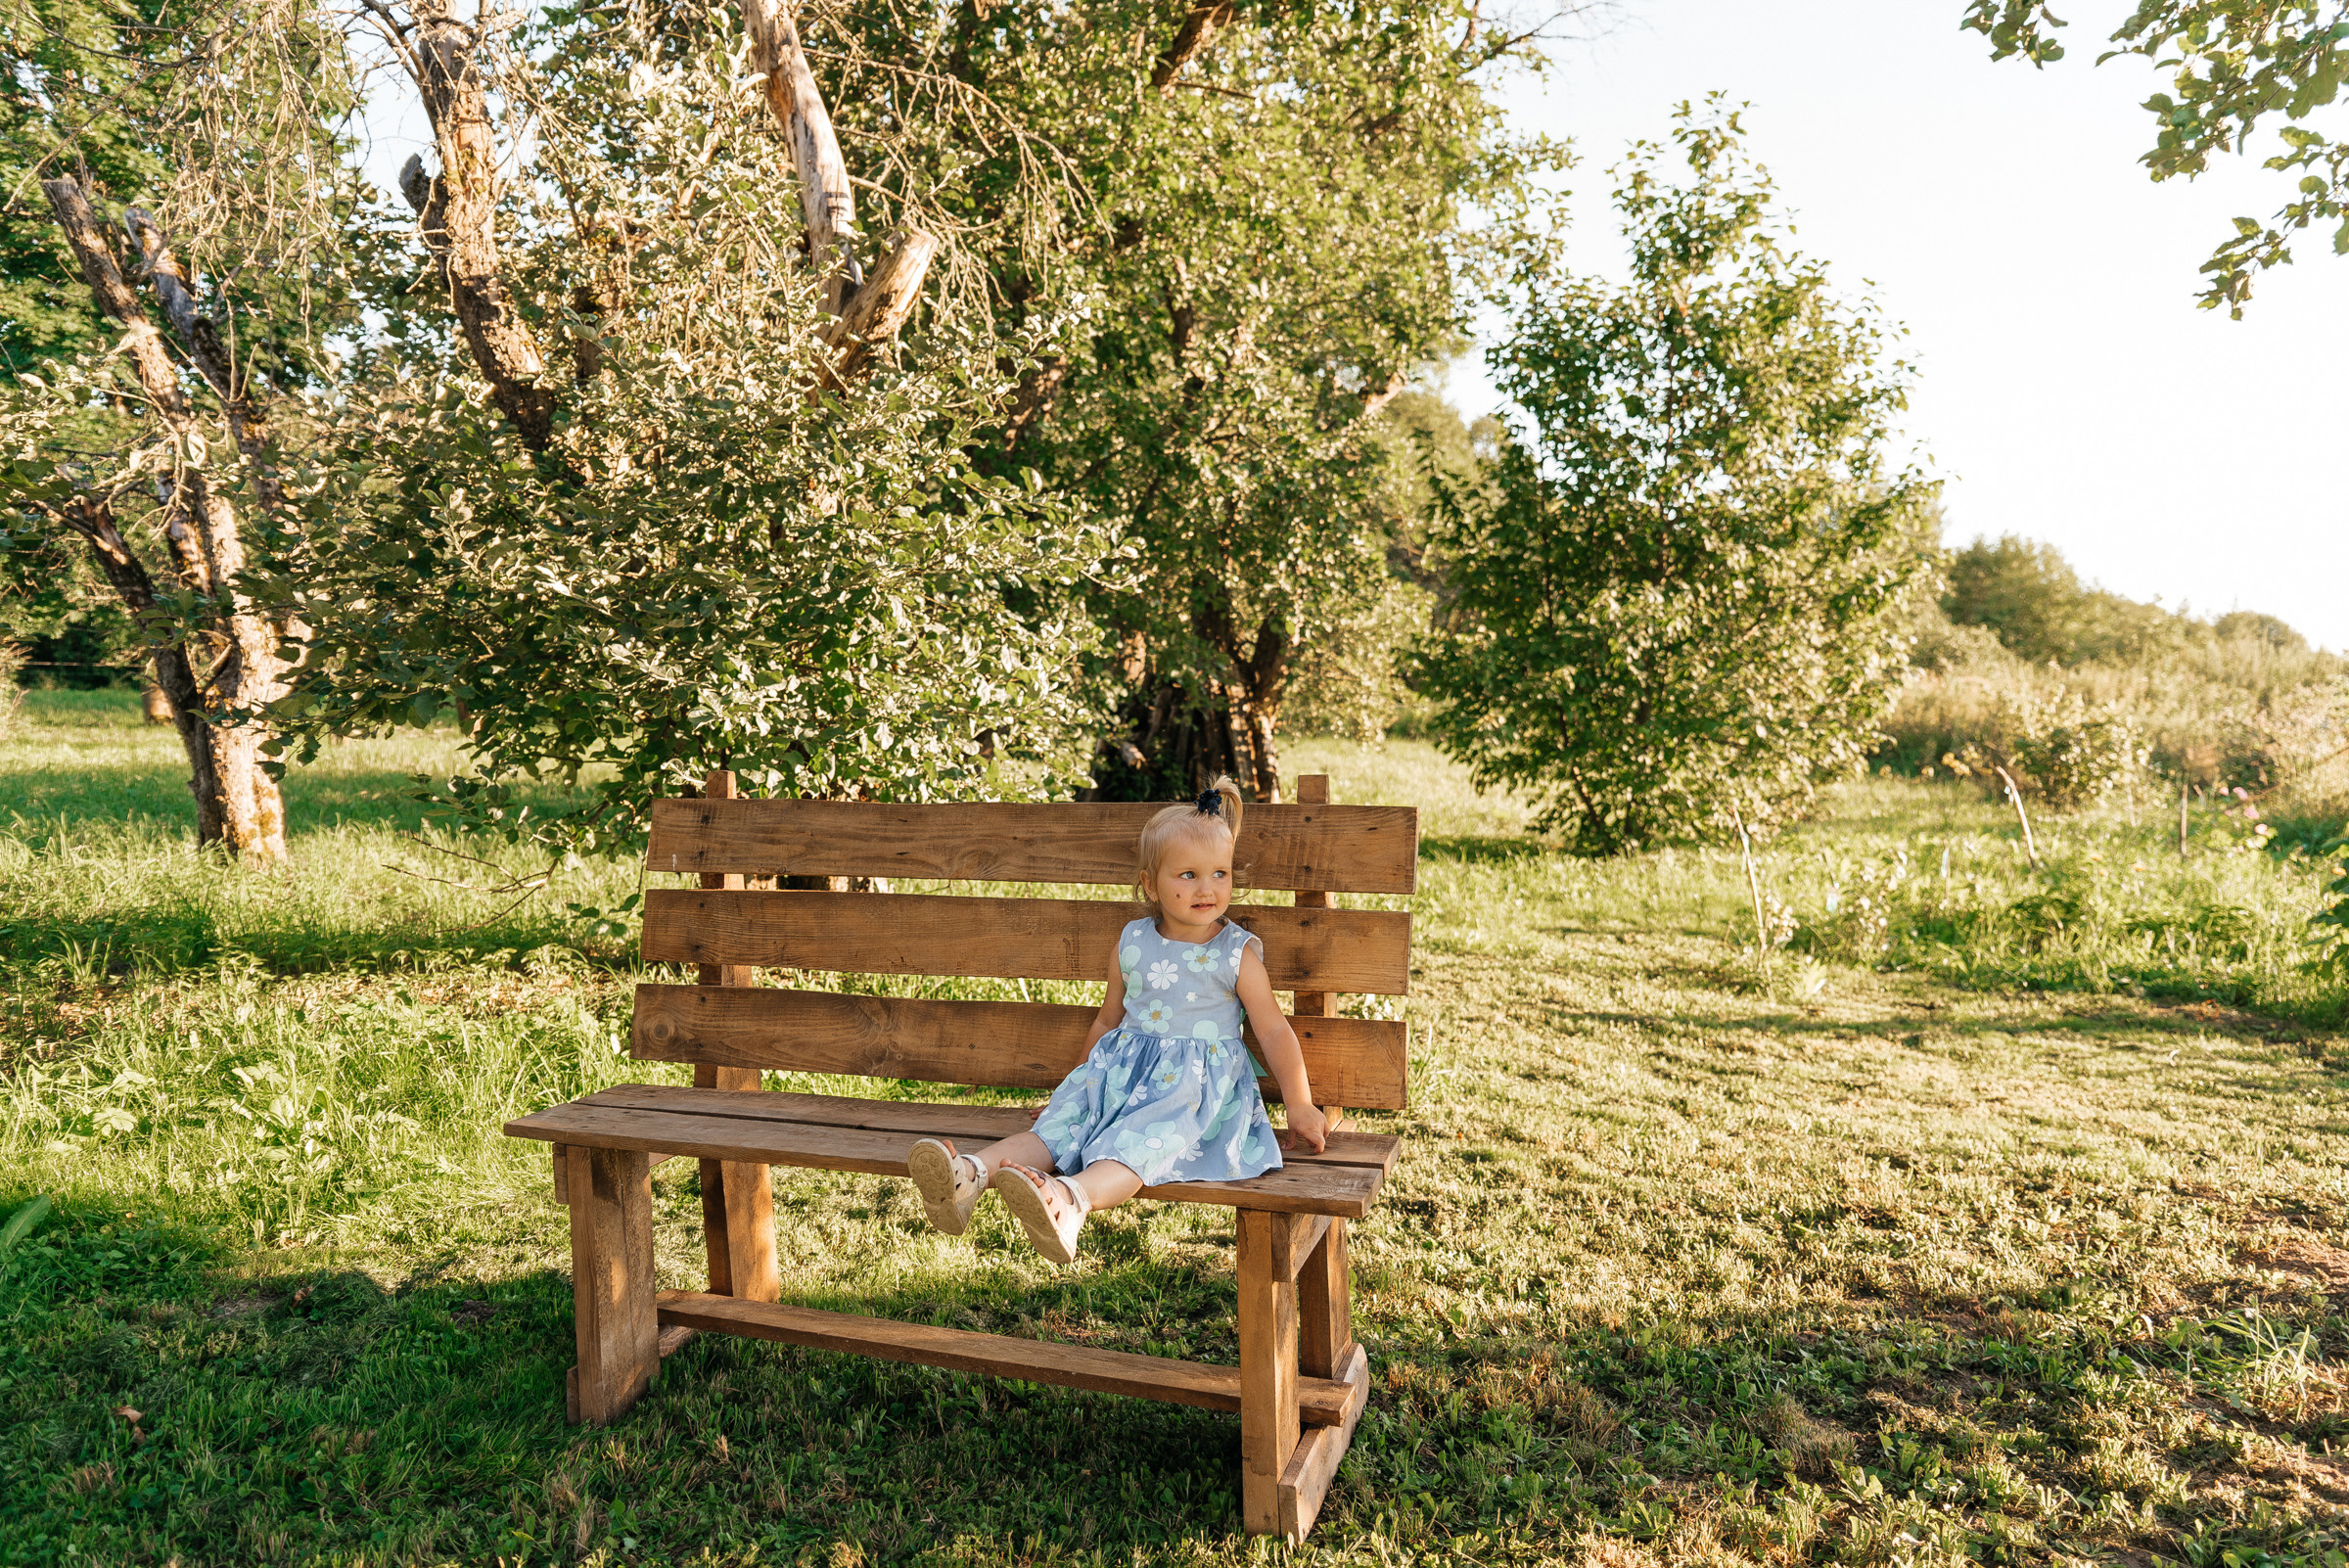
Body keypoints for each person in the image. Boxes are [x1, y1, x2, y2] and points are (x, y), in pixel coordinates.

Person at [904, 775, 1328, 1262]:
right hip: (1116, 1079)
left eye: (1220, 874)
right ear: (1149, 884)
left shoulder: (1235, 953)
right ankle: (969, 1177)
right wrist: (1076, 1087)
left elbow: (1273, 1028)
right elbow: (1108, 1021)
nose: (1206, 888)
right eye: (1187, 875)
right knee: (1056, 1130)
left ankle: (1069, 1201)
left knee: (1135, 1146)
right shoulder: (1132, 941)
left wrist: (1299, 1102)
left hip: (1189, 1097)